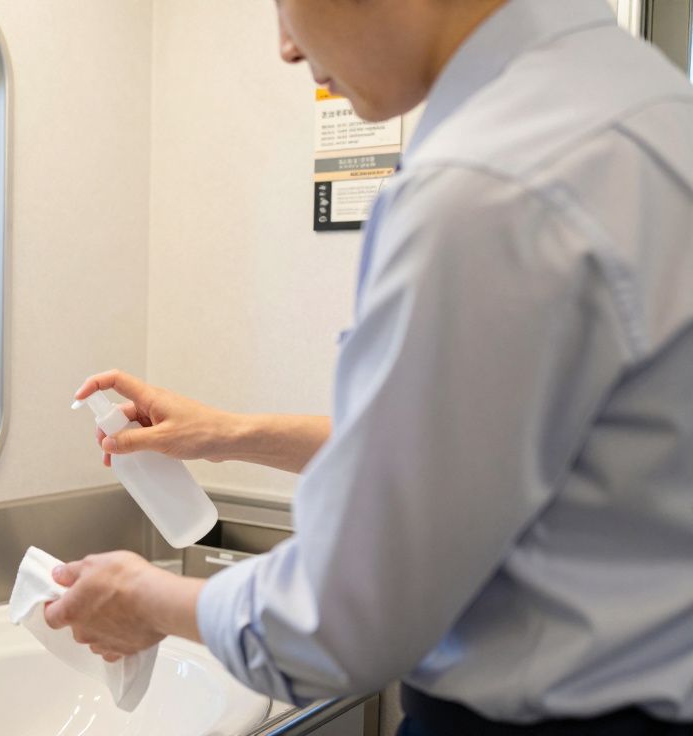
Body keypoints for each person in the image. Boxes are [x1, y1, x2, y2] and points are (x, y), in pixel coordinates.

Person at [46, 0, 693, 733]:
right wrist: (226, 433)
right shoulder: (647, 105)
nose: (287, 46)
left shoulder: (488, 183)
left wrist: (143, 599)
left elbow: (345, 615)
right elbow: (485, 457)